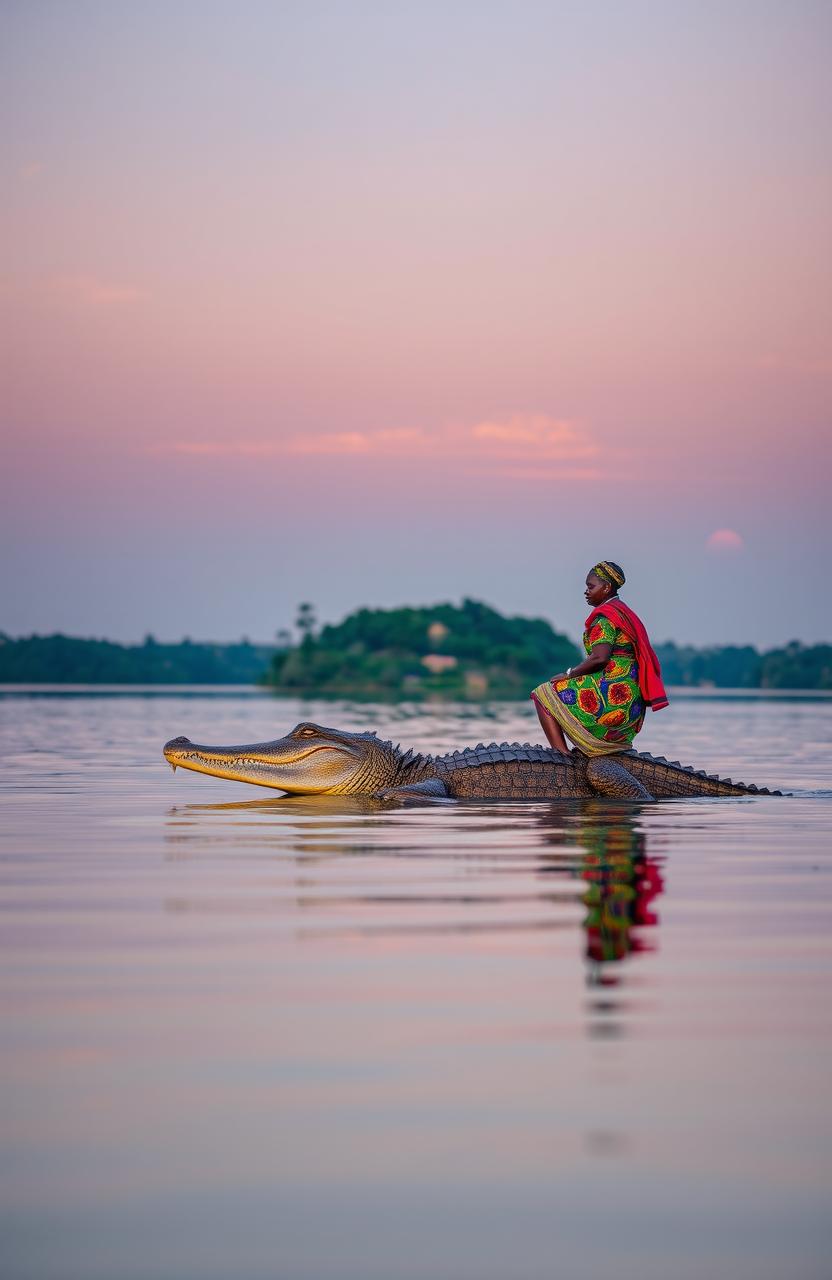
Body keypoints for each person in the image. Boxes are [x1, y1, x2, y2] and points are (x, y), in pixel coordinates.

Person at [531, 561, 668, 756]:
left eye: (590, 586)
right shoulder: (624, 613)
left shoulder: (606, 618)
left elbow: (599, 658)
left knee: (543, 693)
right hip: (631, 706)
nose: (586, 592)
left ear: (606, 587)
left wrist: (568, 674)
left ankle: (562, 755)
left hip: (614, 700)